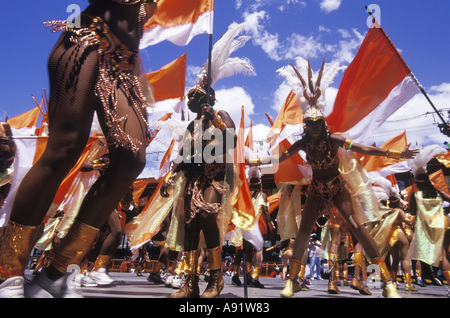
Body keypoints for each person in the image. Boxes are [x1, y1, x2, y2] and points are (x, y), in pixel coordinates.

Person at [0, 0, 158, 298]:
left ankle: (58, 270)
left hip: (123, 64)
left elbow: (135, 33)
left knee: (131, 161)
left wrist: (141, 85)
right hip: (84, 36)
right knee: (65, 148)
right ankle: (8, 269)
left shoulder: (148, 8)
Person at [249, 57, 418, 298]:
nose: (315, 127)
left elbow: (364, 149)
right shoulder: (304, 142)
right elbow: (280, 157)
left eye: (318, 122)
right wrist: (253, 161)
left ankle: (388, 283)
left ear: (323, 123)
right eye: (310, 123)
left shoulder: (335, 139)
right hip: (317, 189)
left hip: (338, 188)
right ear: (306, 125)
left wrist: (396, 154)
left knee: (359, 229)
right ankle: (293, 281)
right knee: (304, 231)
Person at [159, 83, 236, 299]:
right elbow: (182, 155)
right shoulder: (192, 126)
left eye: (199, 98)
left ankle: (216, 278)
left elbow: (232, 140)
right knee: (190, 226)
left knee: (206, 215)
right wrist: (170, 176)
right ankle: (190, 283)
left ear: (211, 99)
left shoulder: (221, 115)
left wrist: (216, 120)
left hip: (216, 176)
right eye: (192, 100)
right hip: (193, 179)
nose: (194, 103)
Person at [408, 169, 450, 297]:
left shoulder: (415, 195)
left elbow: (413, 212)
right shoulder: (439, 193)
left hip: (426, 228)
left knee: (421, 254)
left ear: (417, 184)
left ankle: (422, 277)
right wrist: (444, 213)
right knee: (444, 255)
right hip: (443, 224)